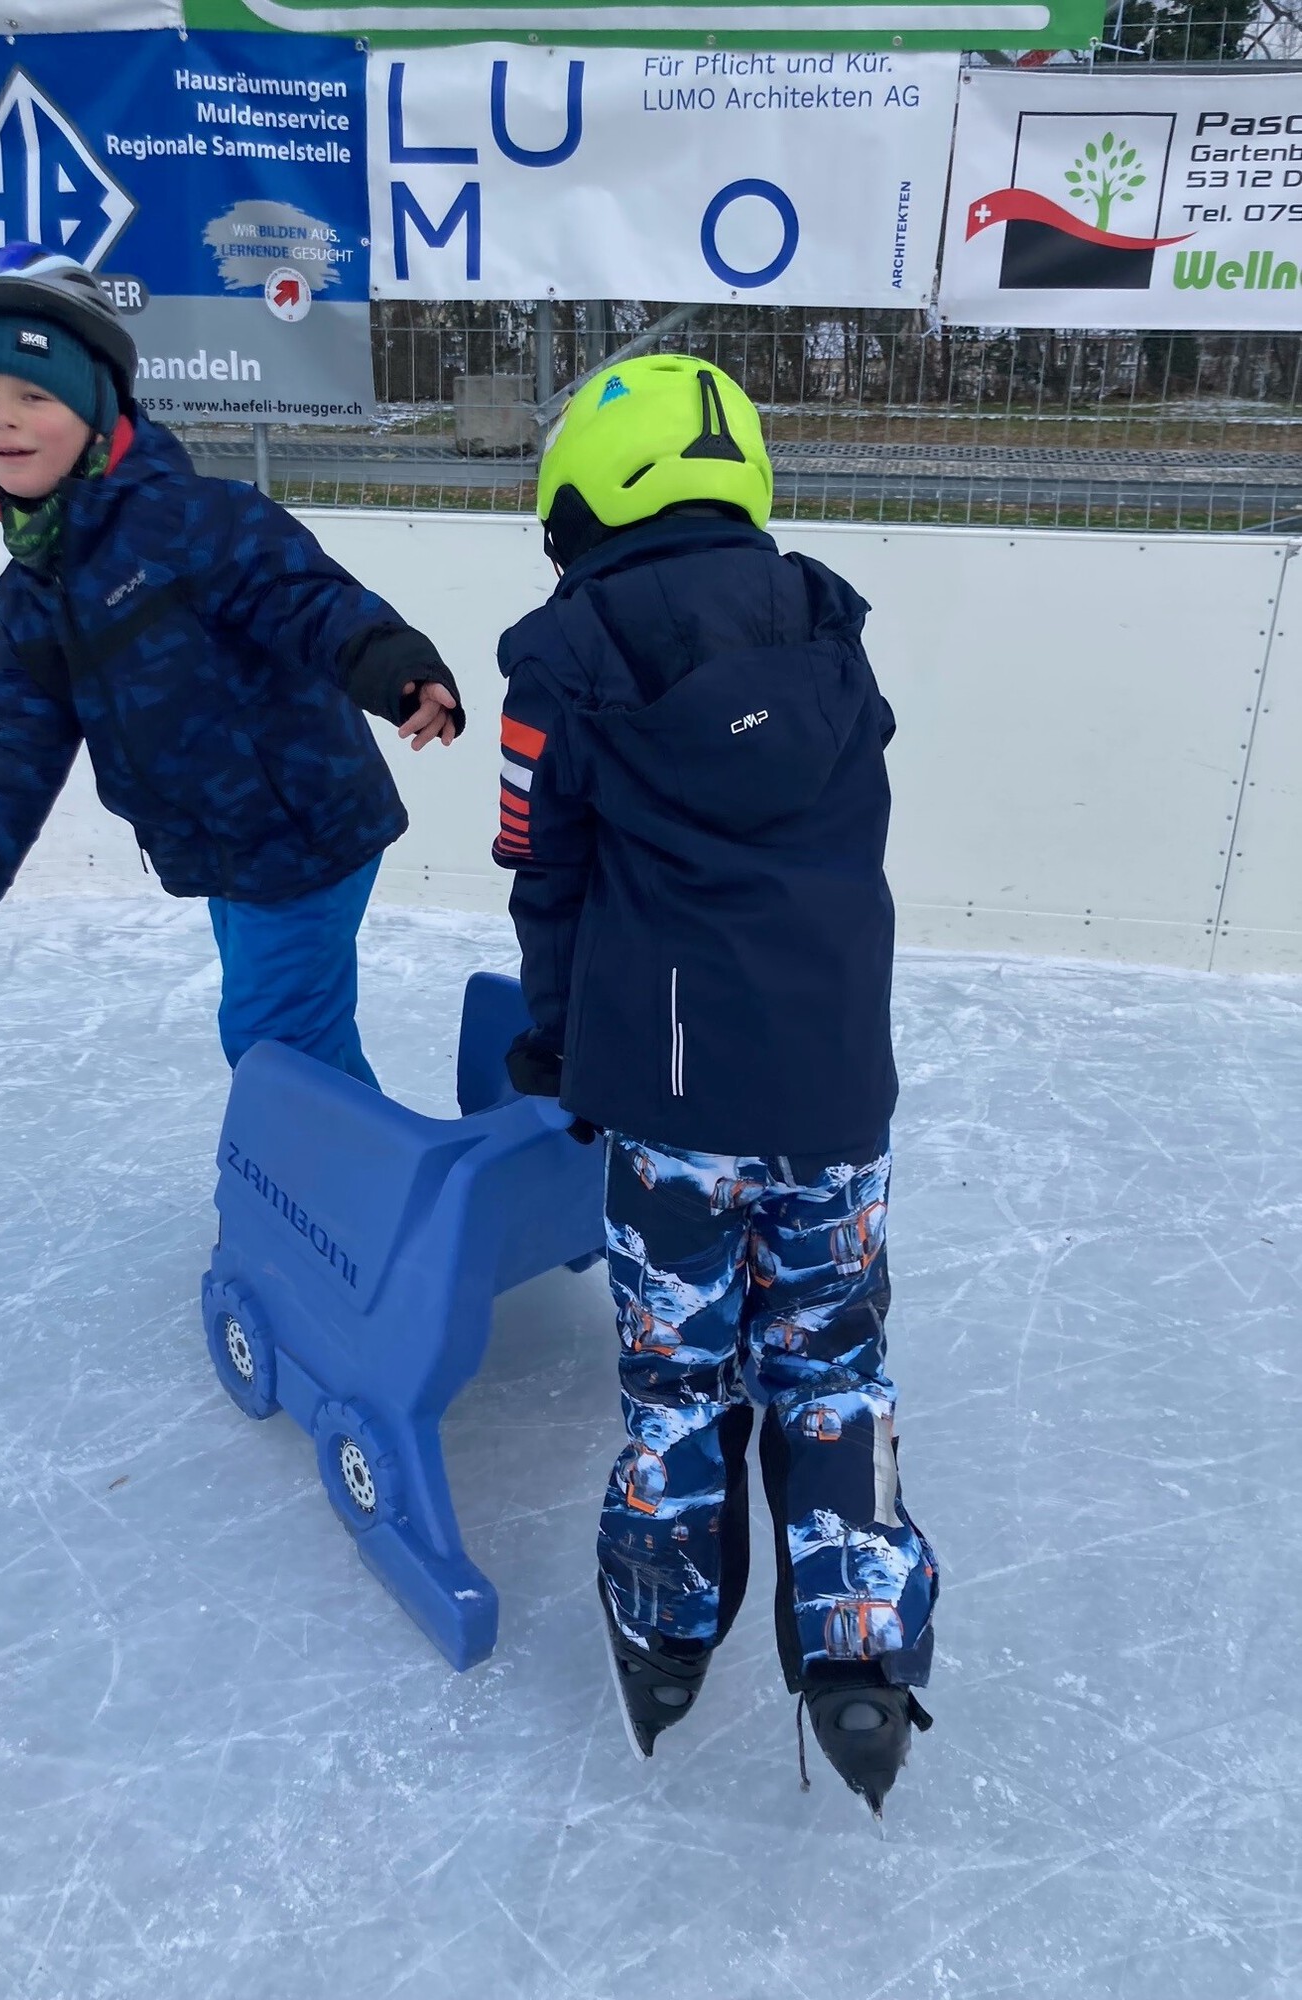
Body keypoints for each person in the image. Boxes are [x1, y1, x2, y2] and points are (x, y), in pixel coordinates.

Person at [492, 355, 937, 1815]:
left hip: (670, 1110)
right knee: (835, 1362)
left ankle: (667, 1629)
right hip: (833, 1091)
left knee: (683, 1376)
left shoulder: (560, 658)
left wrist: (556, 1051)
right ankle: (863, 1650)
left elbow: (544, 876)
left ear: (584, 491)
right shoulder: (827, 624)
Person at [0, 245, 463, 1080]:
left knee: (276, 1040)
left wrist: (397, 668)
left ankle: (346, 1196)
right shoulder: (30, 593)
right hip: (219, 850)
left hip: (305, 827)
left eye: (33, 392)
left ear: (96, 405)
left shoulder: (196, 521)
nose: (2, 418)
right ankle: (366, 1182)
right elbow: (18, 755)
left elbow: (307, 600)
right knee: (292, 1033)